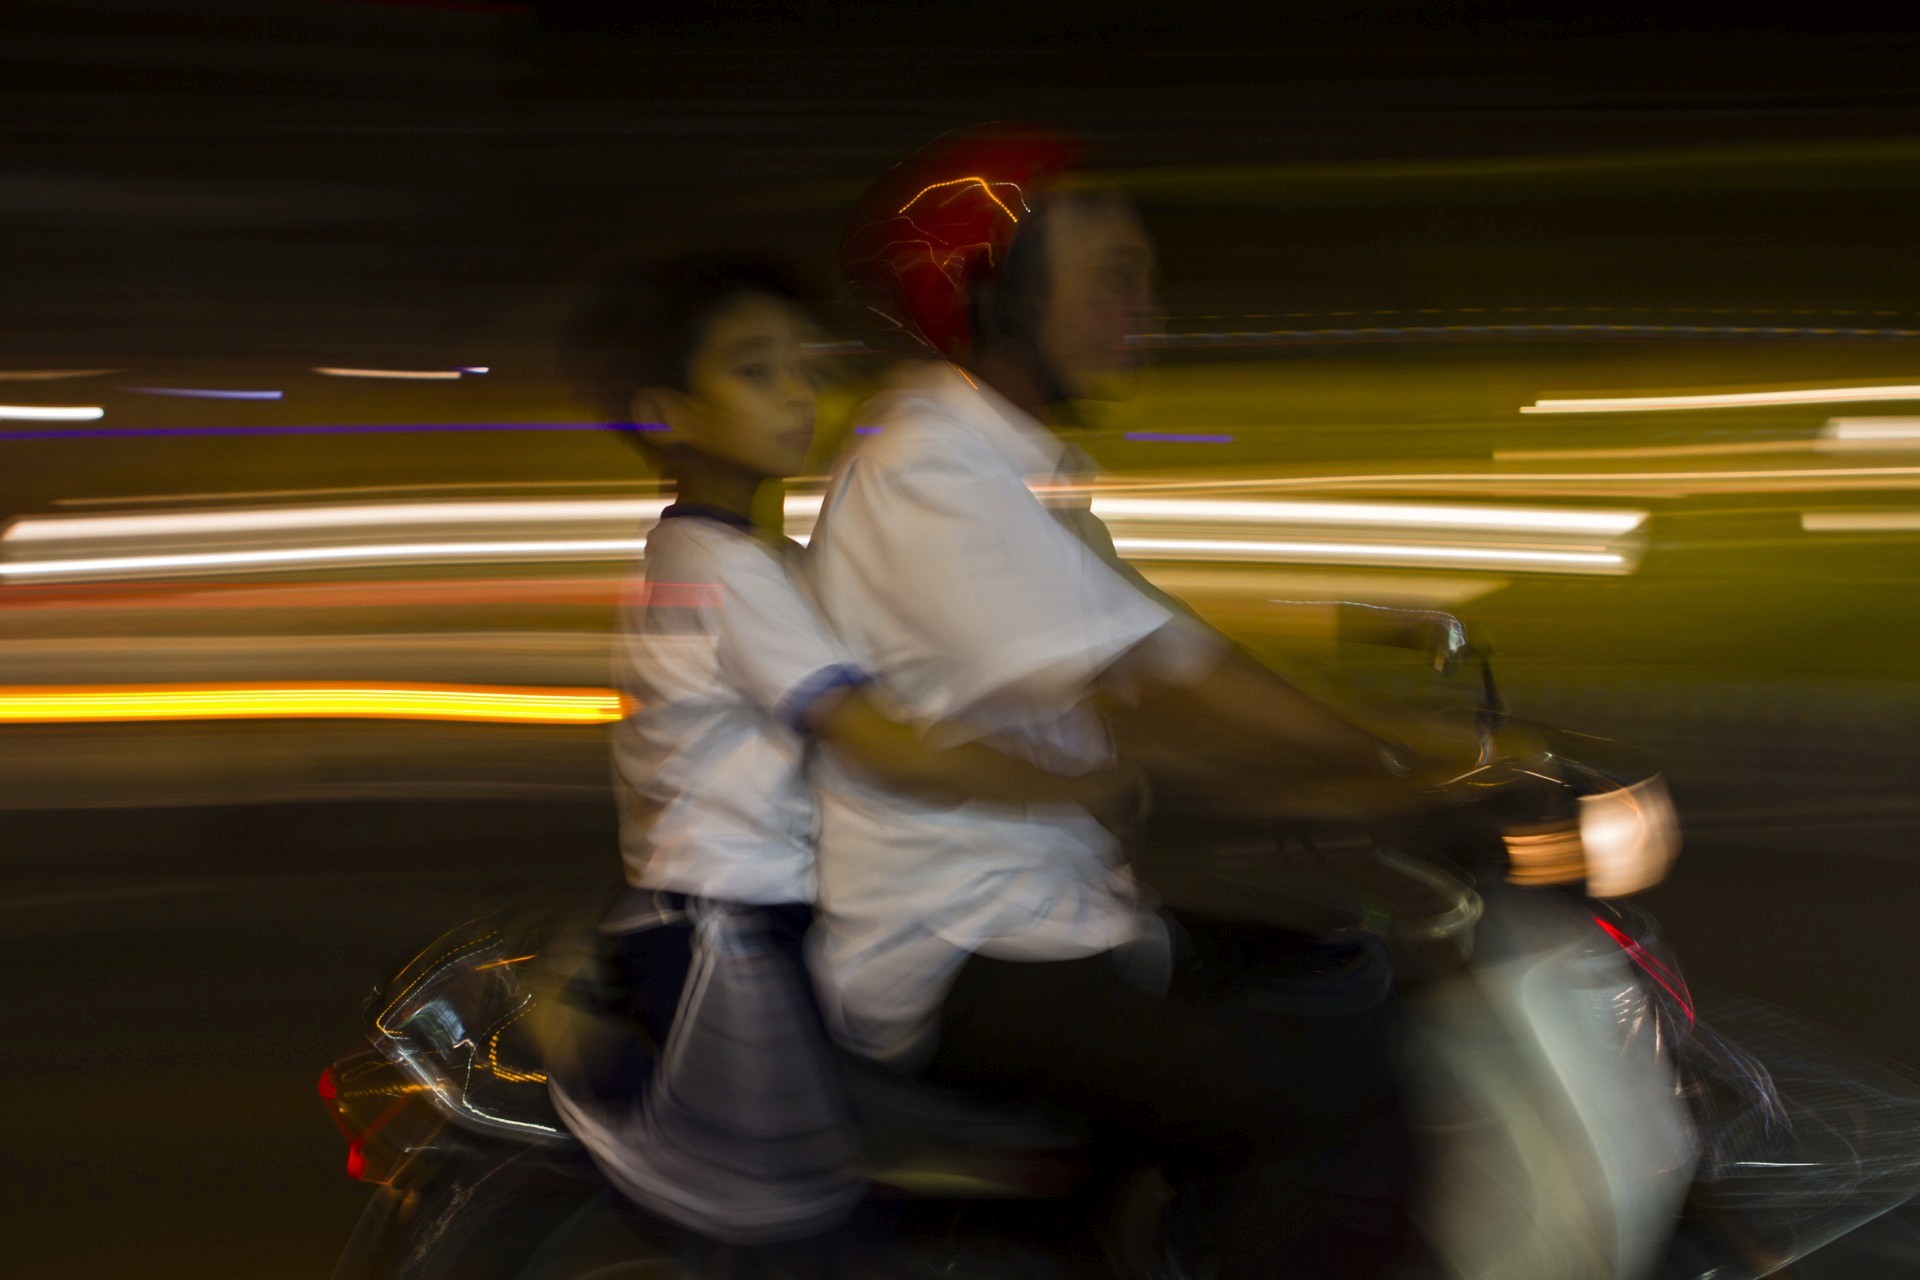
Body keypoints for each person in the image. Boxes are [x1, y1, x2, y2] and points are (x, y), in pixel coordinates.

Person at [810, 127, 1432, 1277]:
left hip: (1052, 907)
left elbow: (1162, 649)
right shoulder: (931, 468)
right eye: (1108, 279)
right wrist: (1396, 773)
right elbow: (1164, 677)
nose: (1141, 307)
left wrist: (1382, 754)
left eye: (1144, 277)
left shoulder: (1015, 471)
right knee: (1317, 1101)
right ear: (993, 298)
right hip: (963, 947)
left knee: (1361, 975)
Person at [550, 252, 1143, 1253]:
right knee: (815, 1223)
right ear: (667, 415)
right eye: (756, 370)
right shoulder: (727, 572)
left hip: (749, 918)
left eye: (804, 365)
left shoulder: (733, 557)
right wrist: (1074, 784)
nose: (797, 392)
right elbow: (884, 746)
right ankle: (568, 1048)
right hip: (734, 937)